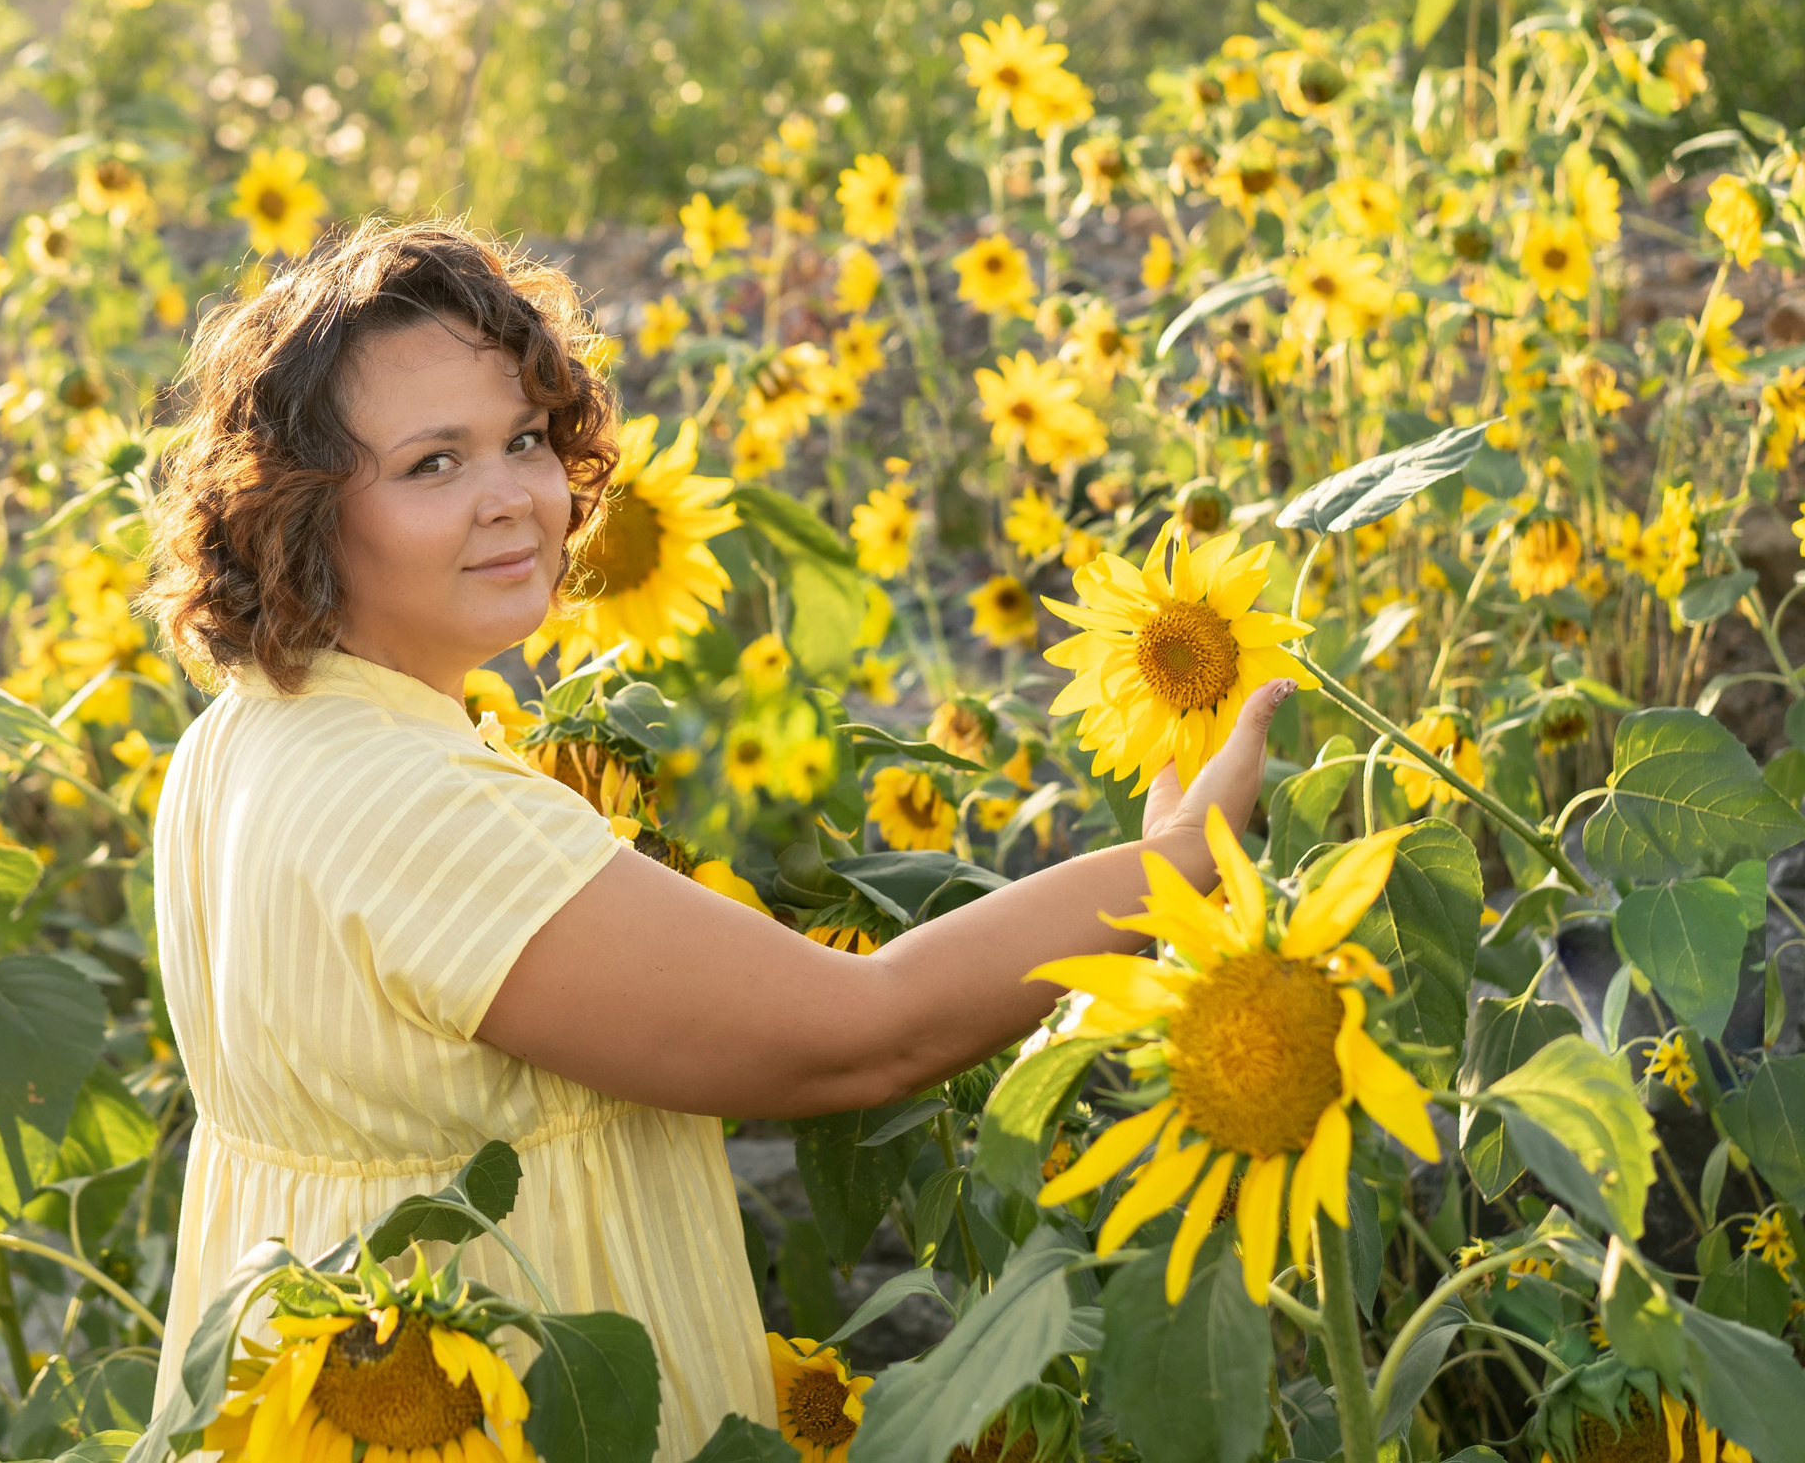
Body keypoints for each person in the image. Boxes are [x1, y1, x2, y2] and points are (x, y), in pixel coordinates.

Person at [137, 219, 1289, 1455]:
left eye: (522, 438)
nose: (512, 497)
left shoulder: (245, 735)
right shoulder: (418, 805)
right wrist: (1166, 869)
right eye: (430, 464)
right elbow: (859, 1036)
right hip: (504, 1407)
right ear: (302, 512)